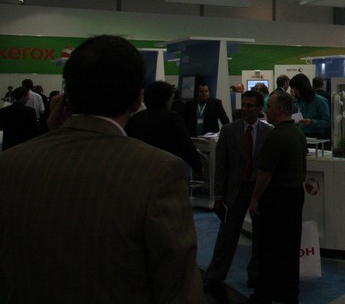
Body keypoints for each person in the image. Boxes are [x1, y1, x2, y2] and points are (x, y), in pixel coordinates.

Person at [0, 35, 204, 302]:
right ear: (137, 99)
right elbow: (178, 286)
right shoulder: (159, 171)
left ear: (66, 96)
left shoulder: (10, 163)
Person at [204, 90, 271, 296]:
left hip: (258, 191)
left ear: (259, 109)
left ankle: (256, 276)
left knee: (260, 237)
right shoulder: (229, 131)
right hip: (235, 190)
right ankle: (215, 276)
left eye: (250, 105)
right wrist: (218, 196)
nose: (244, 109)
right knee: (226, 236)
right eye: (243, 104)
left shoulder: (268, 132)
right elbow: (221, 166)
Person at [248, 91, 308, 304]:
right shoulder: (298, 134)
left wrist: (255, 198)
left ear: (280, 110)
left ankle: (264, 295)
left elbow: (265, 173)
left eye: (270, 107)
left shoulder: (276, 136)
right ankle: (288, 293)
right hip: (295, 195)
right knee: (289, 249)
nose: (266, 111)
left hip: (277, 198)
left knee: (269, 248)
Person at [125, 80, 203, 174]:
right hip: (164, 170)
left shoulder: (135, 118)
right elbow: (186, 146)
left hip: (139, 169)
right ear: (167, 99)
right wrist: (198, 167)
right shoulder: (172, 118)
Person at [289, 73, 330, 139]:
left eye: (296, 89)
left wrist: (312, 122)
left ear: (302, 88)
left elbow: (327, 122)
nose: (295, 92)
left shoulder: (320, 101)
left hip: (316, 138)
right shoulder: (297, 102)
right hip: (300, 136)